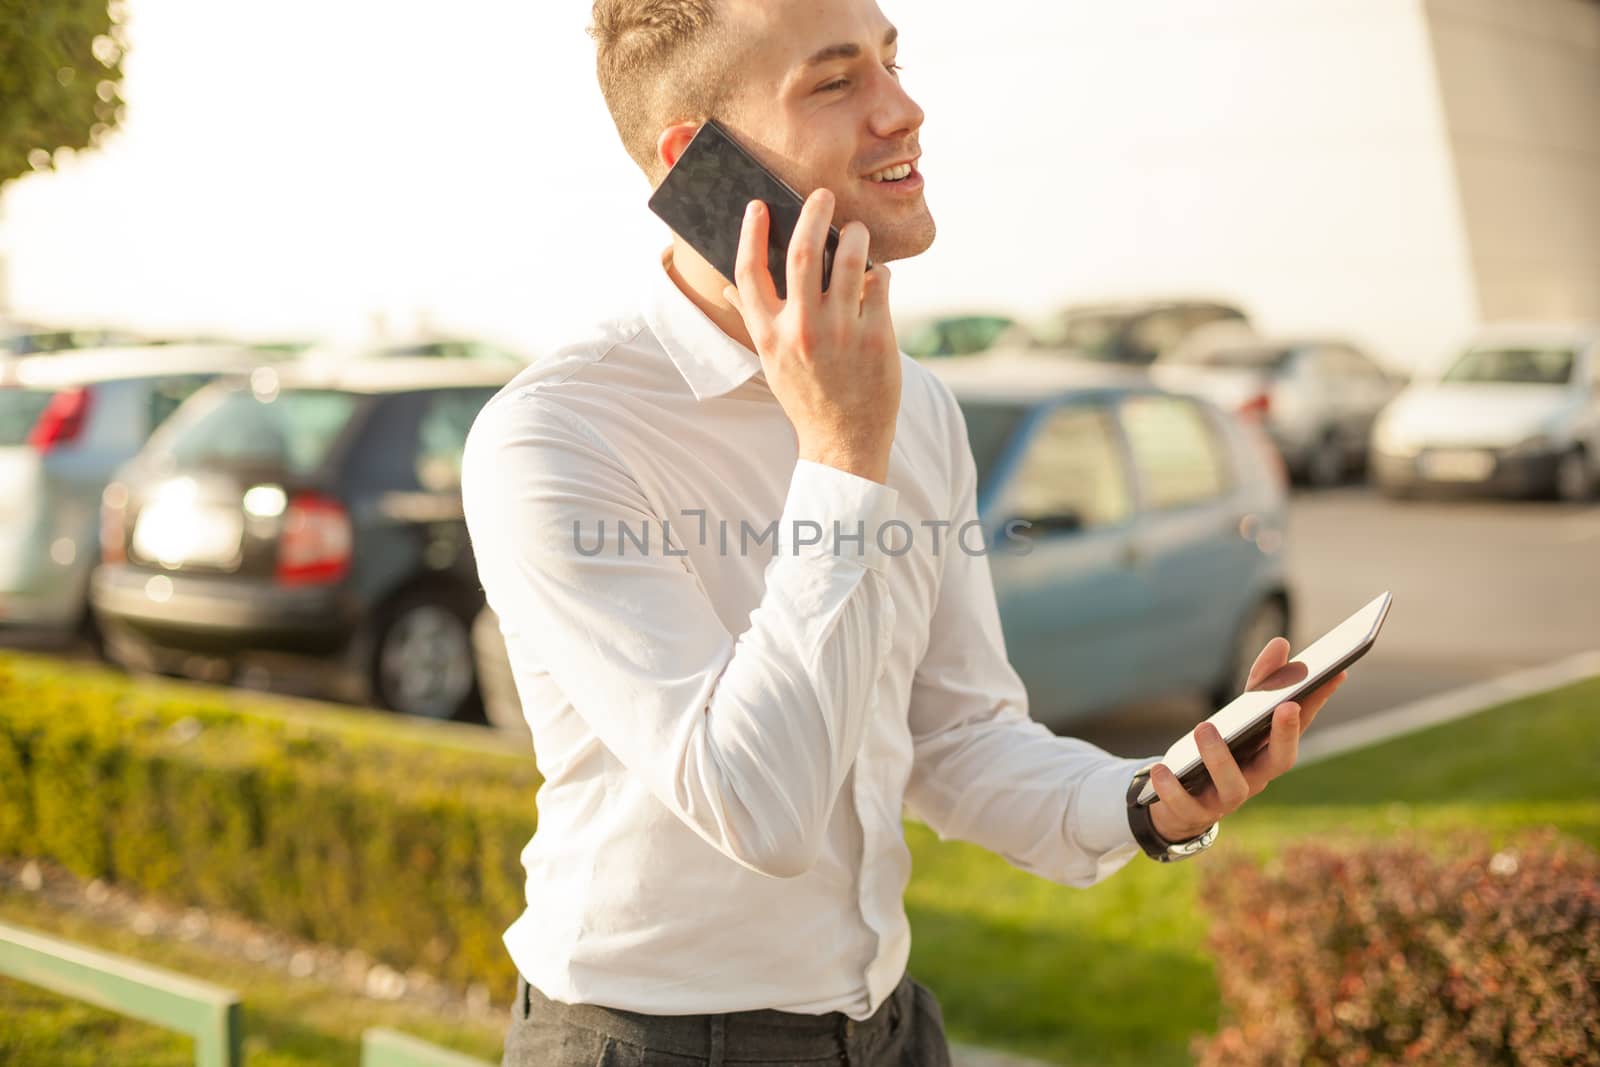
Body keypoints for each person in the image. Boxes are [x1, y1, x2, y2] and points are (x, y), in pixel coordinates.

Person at [460, 1, 1348, 1064]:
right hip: (643, 1042)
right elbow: (762, 808)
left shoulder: (911, 403)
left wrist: (1146, 802)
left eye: (891, 61)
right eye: (835, 82)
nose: (905, 109)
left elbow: (953, 731)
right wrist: (840, 453)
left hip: (887, 1026)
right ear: (699, 159)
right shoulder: (556, 435)